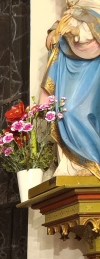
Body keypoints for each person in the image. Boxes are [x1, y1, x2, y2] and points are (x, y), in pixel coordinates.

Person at [41, 0, 100, 177]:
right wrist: (54, 33)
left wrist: (75, 32)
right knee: (63, 110)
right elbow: (59, 31)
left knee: (76, 110)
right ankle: (71, 164)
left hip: (91, 69)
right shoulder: (71, 10)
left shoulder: (94, 5)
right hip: (68, 67)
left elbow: (95, 29)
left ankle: (91, 161)